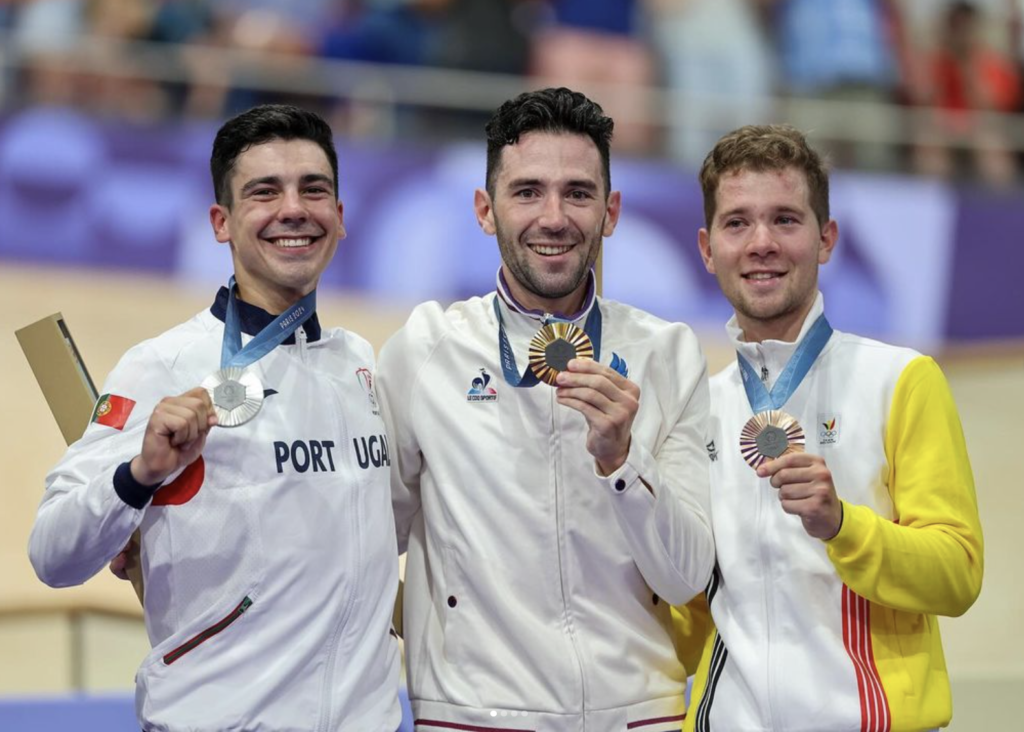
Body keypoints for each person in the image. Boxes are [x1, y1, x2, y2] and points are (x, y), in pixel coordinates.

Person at [28, 104, 401, 731]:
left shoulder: (359, 365)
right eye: (265, 192)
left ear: (340, 218)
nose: (294, 209)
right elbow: (53, 554)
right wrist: (138, 475)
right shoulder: (163, 366)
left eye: (314, 189)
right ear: (220, 223)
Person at [375, 87, 714, 731]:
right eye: (527, 191)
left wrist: (623, 460)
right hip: (473, 714)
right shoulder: (425, 351)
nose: (553, 217)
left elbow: (685, 577)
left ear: (611, 211)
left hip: (639, 714)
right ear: (485, 209)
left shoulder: (669, 355)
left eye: (578, 193)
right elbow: (364, 543)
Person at [683, 124, 984, 732]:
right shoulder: (694, 409)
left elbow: (957, 574)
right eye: (737, 222)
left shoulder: (901, 379)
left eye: (786, 220)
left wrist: (843, 525)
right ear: (708, 247)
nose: (761, 242)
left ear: (826, 239)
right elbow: (688, 609)